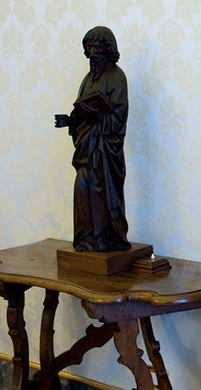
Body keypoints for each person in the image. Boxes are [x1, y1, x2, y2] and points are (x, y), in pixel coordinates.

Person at [55, 26, 131, 252]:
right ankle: (87, 239)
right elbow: (81, 111)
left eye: (97, 47)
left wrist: (99, 115)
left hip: (106, 153)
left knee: (102, 193)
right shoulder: (88, 79)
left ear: (108, 49)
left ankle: (106, 239)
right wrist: (70, 121)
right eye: (89, 47)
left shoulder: (117, 77)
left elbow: (117, 118)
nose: (93, 52)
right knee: (82, 188)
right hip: (87, 150)